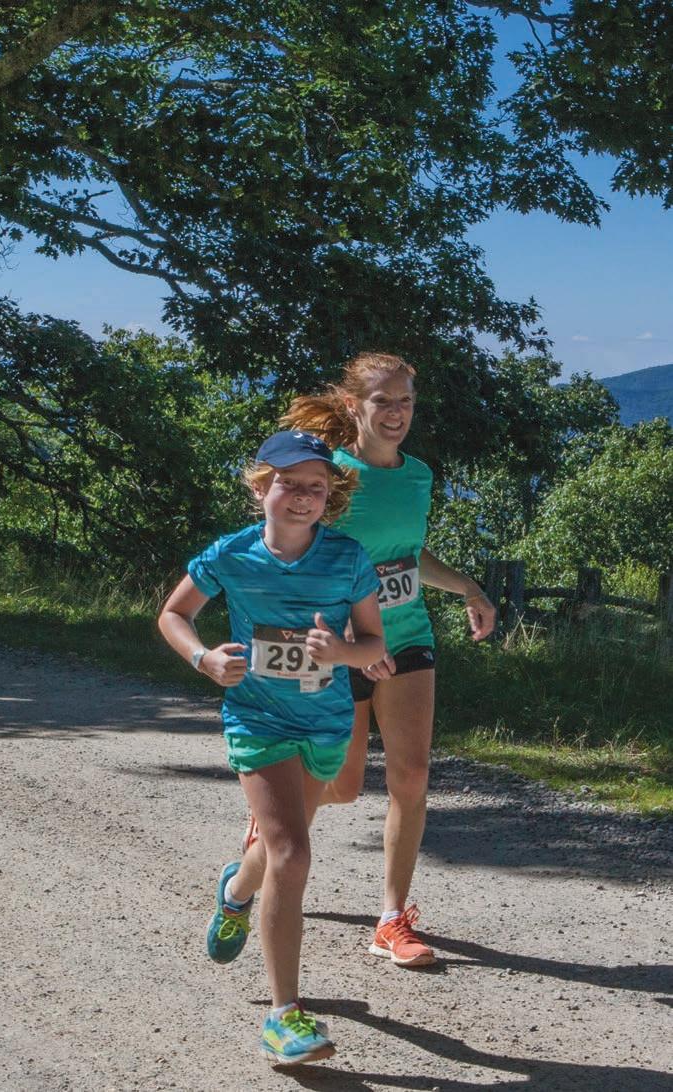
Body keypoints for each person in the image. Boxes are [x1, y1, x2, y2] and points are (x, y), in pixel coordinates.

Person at [243, 352, 496, 968]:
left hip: (406, 634)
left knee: (413, 775)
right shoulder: (332, 475)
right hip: (338, 643)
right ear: (354, 405)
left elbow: (409, 554)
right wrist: (353, 638)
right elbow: (304, 557)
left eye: (406, 401)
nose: (397, 413)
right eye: (384, 401)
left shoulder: (419, 476)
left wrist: (468, 588)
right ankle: (264, 836)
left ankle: (391, 918)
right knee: (344, 784)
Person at [158, 430, 384, 1065]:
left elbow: (374, 644)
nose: (303, 496)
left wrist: (341, 652)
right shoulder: (231, 554)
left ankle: (236, 890)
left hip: (326, 726)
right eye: (289, 483)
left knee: (278, 849)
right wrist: (203, 658)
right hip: (258, 720)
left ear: (330, 498)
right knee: (292, 852)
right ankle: (285, 1018)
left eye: (318, 487)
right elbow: (173, 614)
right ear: (262, 486)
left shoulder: (348, 558)